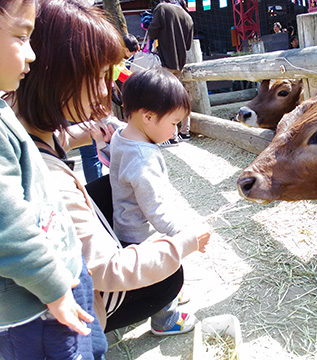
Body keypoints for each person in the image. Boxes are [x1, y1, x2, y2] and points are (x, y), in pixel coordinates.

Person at [15, 0, 210, 336]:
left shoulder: (22, 127)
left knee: (106, 189)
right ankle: (161, 314)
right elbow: (107, 267)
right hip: (77, 309)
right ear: (60, 73)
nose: (108, 90)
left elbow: (59, 140)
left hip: (99, 244)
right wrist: (183, 243)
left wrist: (84, 132)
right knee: (170, 273)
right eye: (99, 76)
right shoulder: (48, 177)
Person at [0, 0, 107, 359]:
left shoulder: (3, 110)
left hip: (64, 279)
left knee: (92, 348)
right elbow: (6, 225)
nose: (30, 55)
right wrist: (55, 288)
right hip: (40, 306)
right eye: (20, 36)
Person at [109, 66, 211, 335]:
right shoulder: (143, 159)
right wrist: (182, 235)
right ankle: (165, 319)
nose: (176, 131)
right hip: (143, 233)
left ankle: (167, 300)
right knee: (165, 268)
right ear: (149, 116)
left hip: (125, 223)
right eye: (174, 123)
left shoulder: (123, 135)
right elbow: (155, 209)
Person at [148, 0, 193, 145]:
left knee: (165, 100)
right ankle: (185, 132)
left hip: (164, 62)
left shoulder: (162, 8)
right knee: (180, 98)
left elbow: (152, 32)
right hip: (180, 64)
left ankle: (171, 136)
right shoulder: (187, 16)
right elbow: (187, 45)